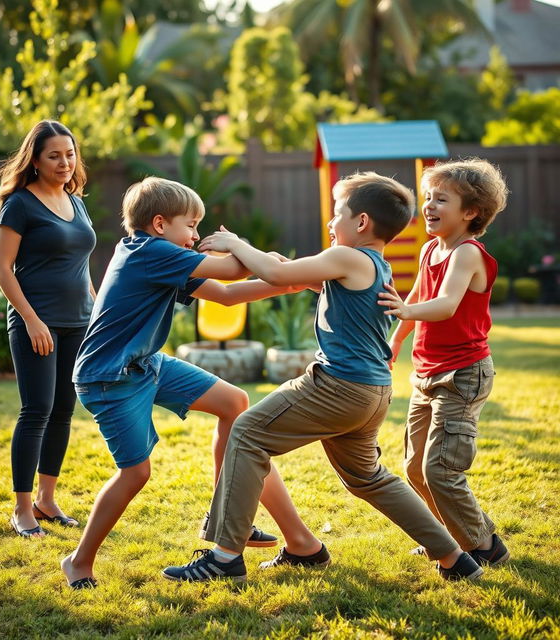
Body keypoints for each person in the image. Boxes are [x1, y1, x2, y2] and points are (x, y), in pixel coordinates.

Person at [163, 171, 485, 584]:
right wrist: (268, 258)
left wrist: (236, 246)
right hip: (372, 392)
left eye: (338, 215)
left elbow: (282, 276)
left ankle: (224, 558)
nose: (332, 224)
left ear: (362, 222)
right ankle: (454, 557)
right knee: (368, 479)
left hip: (339, 387)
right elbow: (294, 275)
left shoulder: (349, 258)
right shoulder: (374, 264)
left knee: (244, 433)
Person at [61, 177, 322, 589]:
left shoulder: (162, 255)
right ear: (161, 223)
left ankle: (224, 516)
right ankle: (79, 561)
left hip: (145, 363)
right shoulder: (149, 253)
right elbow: (233, 269)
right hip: (109, 376)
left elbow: (226, 294)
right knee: (135, 474)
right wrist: (245, 249)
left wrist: (292, 280)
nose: (198, 236)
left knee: (234, 403)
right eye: (192, 226)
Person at [378, 158, 510, 567]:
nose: (429, 207)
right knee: (414, 467)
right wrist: (396, 340)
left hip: (463, 374)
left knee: (441, 469)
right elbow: (419, 296)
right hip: (426, 372)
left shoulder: (467, 254)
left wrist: (402, 312)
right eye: (428, 198)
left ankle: (485, 546)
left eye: (441, 200)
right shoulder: (430, 248)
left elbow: (446, 305)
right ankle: (453, 536)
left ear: (470, 212)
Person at [0, 120, 97, 538]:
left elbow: (81, 265)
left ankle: (47, 499)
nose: (64, 163)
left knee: (64, 412)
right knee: (36, 411)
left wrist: (96, 313)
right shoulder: (19, 204)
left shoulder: (76, 201)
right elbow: (2, 269)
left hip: (78, 323)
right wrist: (33, 320)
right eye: (54, 155)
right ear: (34, 160)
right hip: (37, 323)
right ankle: (21, 510)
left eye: (69, 154)